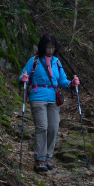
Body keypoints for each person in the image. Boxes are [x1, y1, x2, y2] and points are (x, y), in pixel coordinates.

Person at [19, 34, 80, 173]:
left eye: (52, 48)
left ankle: (47, 156)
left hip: (53, 99)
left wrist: (72, 83)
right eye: (48, 47)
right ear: (42, 47)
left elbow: (63, 81)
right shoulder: (34, 60)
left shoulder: (57, 62)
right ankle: (39, 159)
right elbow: (23, 75)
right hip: (38, 97)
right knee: (42, 126)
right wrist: (23, 78)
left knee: (53, 127)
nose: (50, 50)